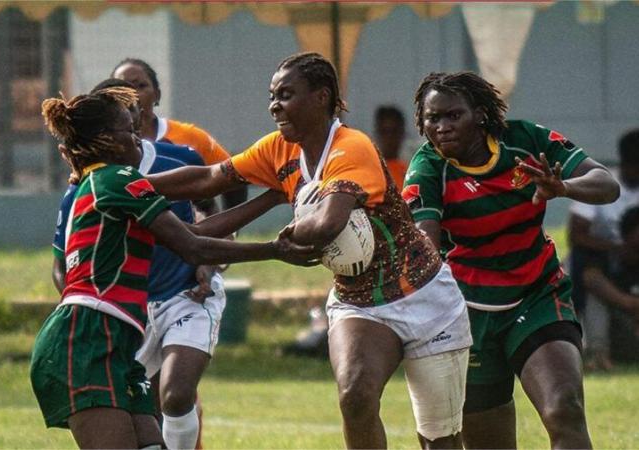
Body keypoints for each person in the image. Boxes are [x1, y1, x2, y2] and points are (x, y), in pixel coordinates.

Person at [147, 52, 473, 450]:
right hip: (360, 303)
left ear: (321, 98)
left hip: (426, 298)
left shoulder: (352, 147)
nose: (273, 105)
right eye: (272, 95)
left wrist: (282, 231)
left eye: (285, 94)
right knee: (354, 395)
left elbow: (327, 225)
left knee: (440, 439)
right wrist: (132, 183)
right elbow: (209, 178)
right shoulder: (278, 149)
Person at [31, 87, 315, 449]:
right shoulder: (112, 181)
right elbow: (193, 246)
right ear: (106, 141)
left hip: (116, 342)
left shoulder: (107, 184)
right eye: (129, 132)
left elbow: (193, 228)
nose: (138, 138)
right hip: (85, 339)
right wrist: (275, 250)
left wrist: (273, 196)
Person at [403, 71, 620, 449]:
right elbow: (425, 240)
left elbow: (606, 184)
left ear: (481, 114)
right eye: (431, 118)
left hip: (538, 293)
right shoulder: (427, 169)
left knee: (563, 409)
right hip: (467, 311)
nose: (441, 127)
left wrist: (563, 187)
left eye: (453, 115)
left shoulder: (525, 141)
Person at [111, 58, 247, 214]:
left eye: (140, 86)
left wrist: (229, 230)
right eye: (122, 88)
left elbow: (234, 176)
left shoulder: (190, 140)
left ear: (157, 94)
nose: (132, 94)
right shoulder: (101, 146)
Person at [567, 128, 639, 370]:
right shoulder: (603, 186)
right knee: (589, 278)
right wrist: (617, 248)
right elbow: (576, 235)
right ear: (628, 164)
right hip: (601, 259)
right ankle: (599, 351)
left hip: (632, 261)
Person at [583, 206, 639, 364]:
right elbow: (590, 277)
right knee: (595, 300)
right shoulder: (611, 257)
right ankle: (598, 355)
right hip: (619, 326)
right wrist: (628, 302)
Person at [374, 105, 409, 188]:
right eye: (385, 131)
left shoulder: (410, 173)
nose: (389, 138)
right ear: (377, 133)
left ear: (402, 134)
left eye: (394, 132)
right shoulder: (369, 172)